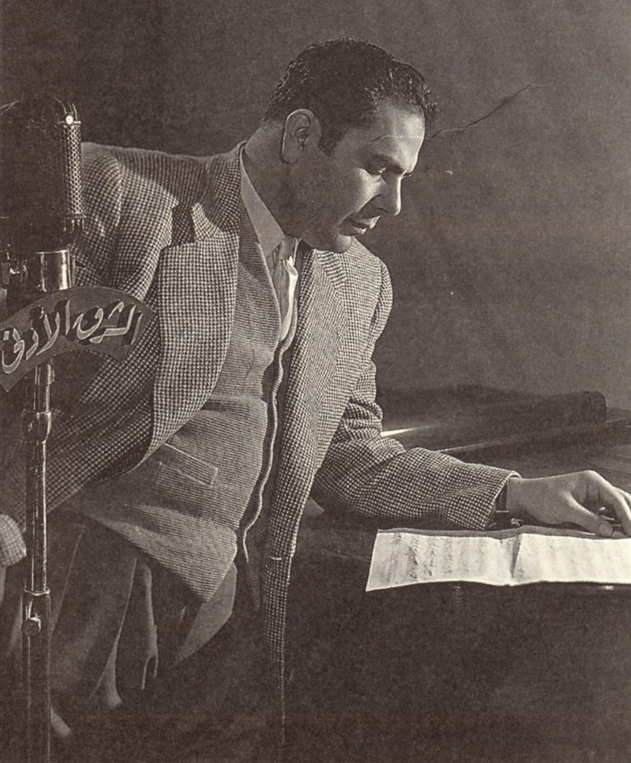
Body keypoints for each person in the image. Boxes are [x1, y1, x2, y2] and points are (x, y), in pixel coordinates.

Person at [1, 38, 630, 760]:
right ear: (300, 136)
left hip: (231, 618)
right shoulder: (119, 194)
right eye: (377, 167)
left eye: (403, 176)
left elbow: (346, 453)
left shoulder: (357, 283)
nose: (394, 202)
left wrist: (515, 493)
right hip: (76, 586)